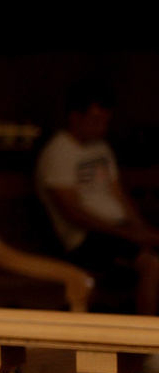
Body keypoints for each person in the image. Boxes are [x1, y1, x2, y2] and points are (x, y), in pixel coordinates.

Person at [37, 77, 159, 316]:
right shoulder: (57, 152)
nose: (102, 128)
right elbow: (73, 213)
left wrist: (144, 231)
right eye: (95, 121)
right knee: (152, 264)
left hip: (118, 231)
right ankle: (150, 342)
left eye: (105, 121)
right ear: (75, 116)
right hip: (85, 239)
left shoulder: (100, 147)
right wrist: (130, 235)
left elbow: (120, 197)